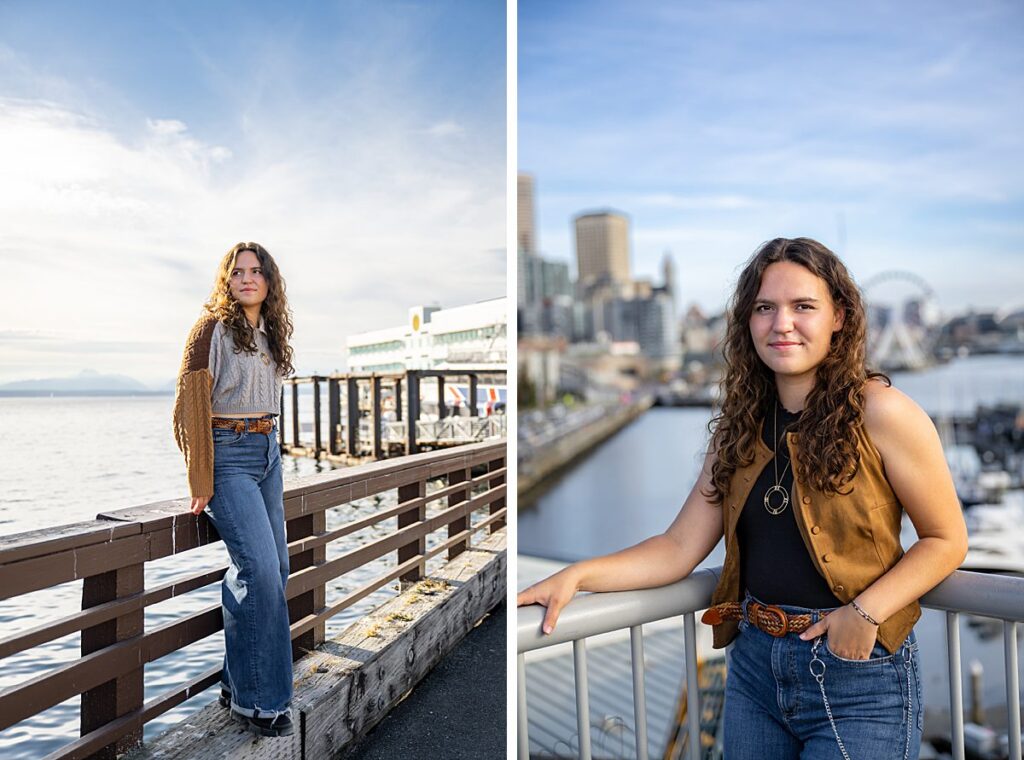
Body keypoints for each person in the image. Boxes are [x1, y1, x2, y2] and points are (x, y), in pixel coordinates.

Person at [517, 238, 967, 759]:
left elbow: (946, 539)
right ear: (746, 322)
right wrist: (577, 576)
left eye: (803, 306)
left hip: (858, 680)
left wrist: (865, 613)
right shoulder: (740, 428)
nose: (782, 324)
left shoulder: (882, 412)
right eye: (764, 308)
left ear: (839, 317)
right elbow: (677, 547)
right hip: (755, 672)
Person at [172, 241, 296, 737]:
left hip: (267, 454)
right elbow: (188, 406)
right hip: (228, 457)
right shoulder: (211, 329)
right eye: (238, 272)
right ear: (227, 280)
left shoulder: (270, 332)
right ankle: (260, 703)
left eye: (257, 271)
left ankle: (237, 682)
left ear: (269, 281)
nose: (247, 279)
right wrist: (200, 476)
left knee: (277, 568)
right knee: (261, 571)